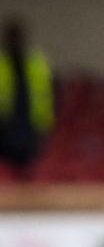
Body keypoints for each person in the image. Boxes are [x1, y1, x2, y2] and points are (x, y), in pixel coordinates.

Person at [0, 15, 54, 179]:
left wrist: (44, 124)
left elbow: (49, 95)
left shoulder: (37, 63)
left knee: (26, 173)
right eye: (12, 36)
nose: (15, 41)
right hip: (4, 126)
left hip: (30, 126)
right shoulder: (2, 63)